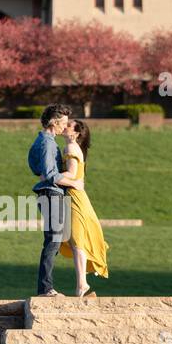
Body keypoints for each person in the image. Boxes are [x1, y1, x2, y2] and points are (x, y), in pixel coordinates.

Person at [27, 104, 85, 297]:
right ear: (54, 122)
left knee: (55, 240)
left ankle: (46, 287)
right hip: (51, 194)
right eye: (64, 123)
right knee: (52, 241)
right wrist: (74, 183)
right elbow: (51, 175)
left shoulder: (43, 140)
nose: (65, 126)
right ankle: (45, 289)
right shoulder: (47, 143)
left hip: (50, 193)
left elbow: (35, 165)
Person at [58, 118, 109, 297]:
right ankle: (82, 284)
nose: (65, 126)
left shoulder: (71, 148)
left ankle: (82, 284)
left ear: (76, 133)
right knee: (75, 242)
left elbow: (72, 174)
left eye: (69, 125)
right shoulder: (72, 148)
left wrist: (49, 176)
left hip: (75, 198)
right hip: (74, 196)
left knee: (78, 242)